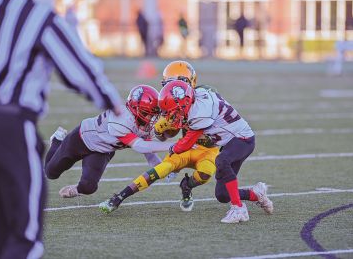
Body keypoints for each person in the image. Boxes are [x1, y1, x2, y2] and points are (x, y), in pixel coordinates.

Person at [0, 0, 124, 258]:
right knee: (25, 240)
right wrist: (112, 101)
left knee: (4, 239)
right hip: (9, 129)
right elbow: (78, 70)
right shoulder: (39, 17)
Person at [99, 61, 271, 215]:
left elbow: (194, 129)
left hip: (207, 149)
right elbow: (167, 134)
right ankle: (119, 197)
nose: (174, 86)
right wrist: (163, 129)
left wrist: (174, 139)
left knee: (208, 177)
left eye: (178, 83)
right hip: (186, 147)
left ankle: (188, 186)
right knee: (161, 170)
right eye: (169, 83)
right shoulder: (170, 98)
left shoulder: (203, 97)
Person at [157, 80, 273, 223]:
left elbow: (185, 144)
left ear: (185, 102)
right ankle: (256, 195)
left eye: (174, 111)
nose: (172, 115)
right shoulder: (198, 95)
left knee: (221, 160)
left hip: (242, 139)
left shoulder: (199, 113)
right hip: (230, 142)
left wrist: (171, 149)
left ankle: (239, 209)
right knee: (223, 194)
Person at [45, 85, 175, 198]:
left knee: (88, 187)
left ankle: (76, 189)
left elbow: (149, 153)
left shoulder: (147, 126)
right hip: (81, 139)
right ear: (135, 109)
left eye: (154, 114)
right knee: (51, 172)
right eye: (148, 113)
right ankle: (57, 141)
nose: (151, 118)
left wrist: (162, 168)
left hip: (102, 151)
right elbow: (140, 146)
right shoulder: (121, 118)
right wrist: (173, 146)